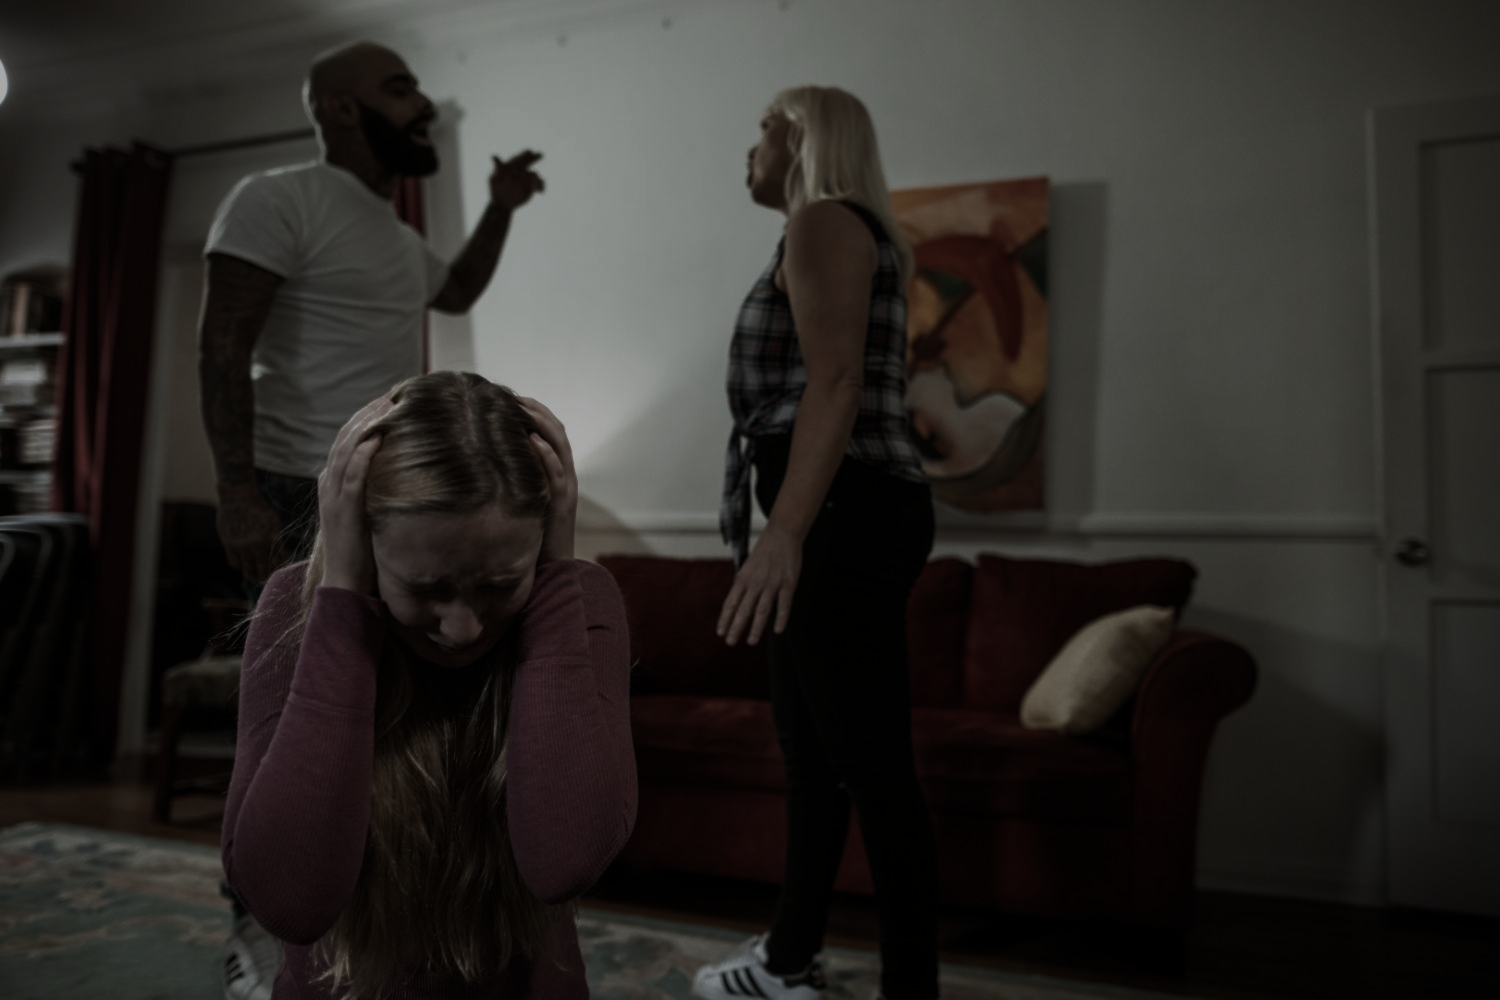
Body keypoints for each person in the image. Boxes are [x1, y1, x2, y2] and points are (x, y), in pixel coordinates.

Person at [222, 371, 636, 999]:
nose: (463, 628)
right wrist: (341, 610)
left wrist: (554, 581)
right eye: (426, 589)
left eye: (500, 585)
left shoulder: (578, 603)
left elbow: (564, 862)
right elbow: (290, 903)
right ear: (359, 542)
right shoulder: (294, 610)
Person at [692, 87, 939, 1000]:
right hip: (845, 510)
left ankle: (910, 989)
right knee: (816, 760)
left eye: (758, 133)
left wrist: (783, 535)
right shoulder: (834, 227)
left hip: (841, 514)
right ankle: (788, 961)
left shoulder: (824, 220)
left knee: (873, 773)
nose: (746, 153)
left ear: (799, 138)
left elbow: (833, 386)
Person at [200, 40, 545, 590]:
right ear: (341, 108)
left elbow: (456, 291)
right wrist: (236, 494)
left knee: (381, 669)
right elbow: (223, 347)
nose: (424, 104)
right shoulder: (275, 200)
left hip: (391, 481)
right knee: (299, 669)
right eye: (400, 90)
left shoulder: (401, 238)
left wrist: (500, 208)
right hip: (296, 489)